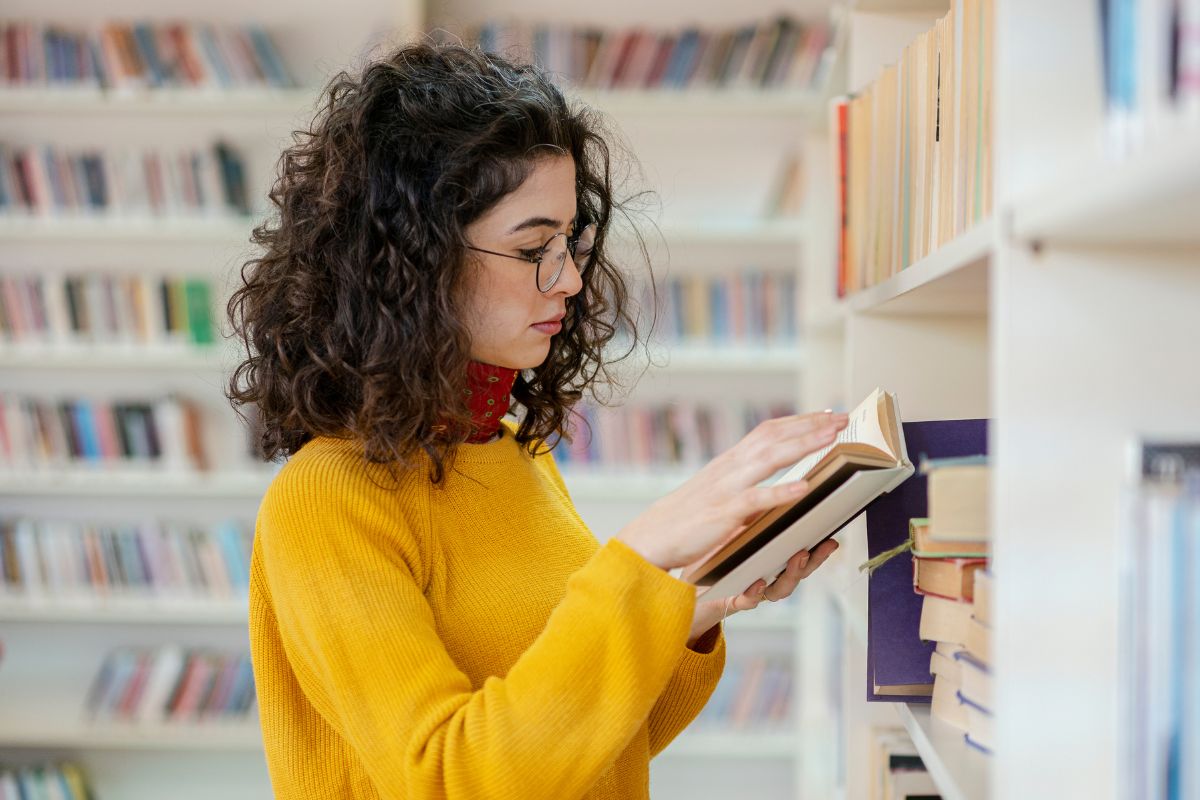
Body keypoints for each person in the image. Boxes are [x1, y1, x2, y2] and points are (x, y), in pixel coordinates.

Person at [227, 40, 847, 800]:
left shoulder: (515, 451)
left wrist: (689, 606)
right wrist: (640, 557)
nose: (572, 280)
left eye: (570, 242)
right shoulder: (325, 501)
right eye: (532, 249)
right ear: (414, 260)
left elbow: (590, 754)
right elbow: (451, 779)